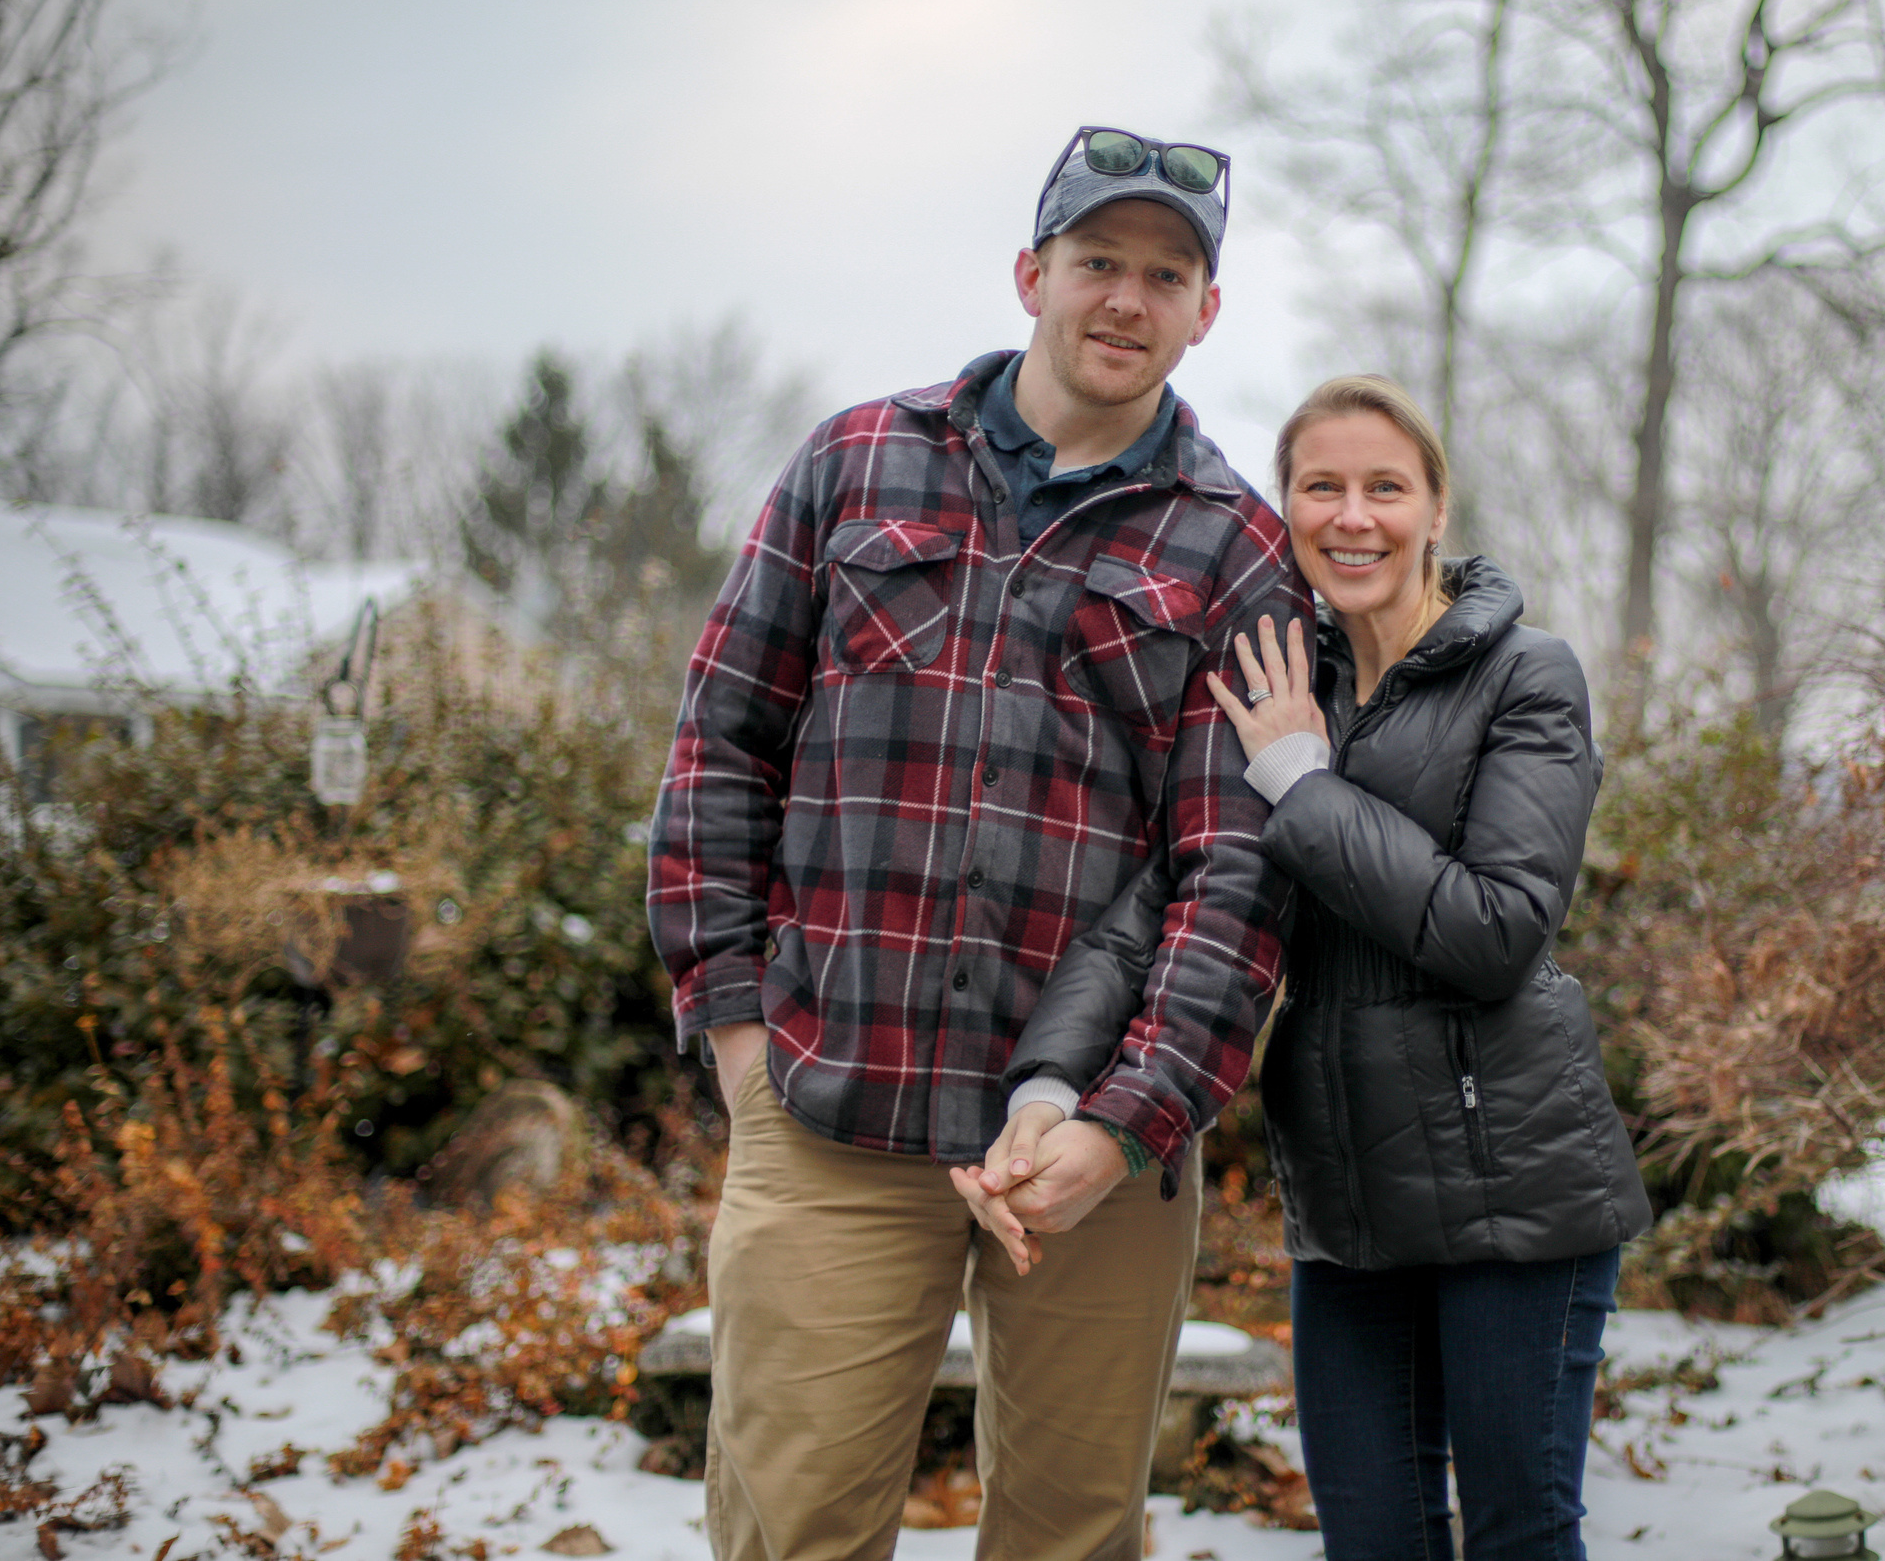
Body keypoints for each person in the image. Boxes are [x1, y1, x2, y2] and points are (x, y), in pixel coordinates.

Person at [647, 125, 1307, 1561]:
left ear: (1209, 310)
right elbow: (720, 743)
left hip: (1086, 1142)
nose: (1127, 300)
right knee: (792, 1525)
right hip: (833, 1107)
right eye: (1098, 263)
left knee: (1071, 1537)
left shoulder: (1236, 547)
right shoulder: (857, 464)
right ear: (1032, 273)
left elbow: (1236, 869)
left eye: (1167, 274)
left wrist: (1131, 1115)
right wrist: (738, 1026)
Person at [964, 374, 1650, 1561]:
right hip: (1348, 1203)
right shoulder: (1277, 685)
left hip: (1517, 1194)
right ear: (1283, 512)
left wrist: (1304, 786)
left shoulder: (1525, 676)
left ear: (1436, 509)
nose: (1352, 515)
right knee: (1371, 1542)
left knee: (1518, 1535)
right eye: (1319, 486)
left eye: (1385, 486)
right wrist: (1046, 1084)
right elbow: (1161, 909)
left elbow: (1495, 933)